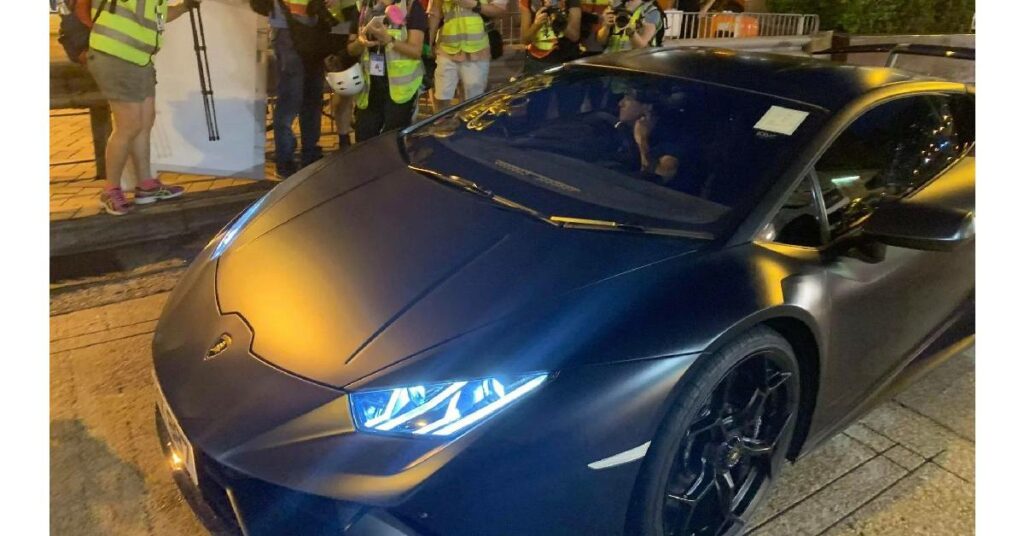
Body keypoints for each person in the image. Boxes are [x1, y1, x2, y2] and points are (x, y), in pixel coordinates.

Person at [87, 0, 198, 215]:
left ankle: (146, 185)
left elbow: (158, 16)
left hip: (139, 59)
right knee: (129, 126)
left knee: (145, 122)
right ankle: (110, 189)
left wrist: (185, 7)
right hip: (116, 56)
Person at [347, 0, 427, 141]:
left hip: (401, 90)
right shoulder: (363, 7)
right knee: (364, 139)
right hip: (370, 90)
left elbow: (416, 50)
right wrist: (360, 42)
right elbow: (351, 50)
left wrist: (389, 40)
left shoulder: (410, 7)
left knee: (393, 142)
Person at [270, 0, 327, 177]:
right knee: (291, 99)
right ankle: (285, 159)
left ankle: (308, 154)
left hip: (313, 26)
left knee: (311, 97)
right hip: (287, 28)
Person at [428, 0, 507, 111]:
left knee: (473, 102)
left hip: (477, 50)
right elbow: (434, 12)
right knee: (441, 96)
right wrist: (429, 43)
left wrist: (474, 5)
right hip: (446, 48)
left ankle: (466, 127)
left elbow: (499, 10)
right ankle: (441, 126)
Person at [613, 89, 683, 185]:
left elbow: (653, 185)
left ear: (648, 107)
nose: (620, 104)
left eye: (628, 99)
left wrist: (642, 141)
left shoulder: (670, 147)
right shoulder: (619, 129)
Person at [519, 0, 582, 76]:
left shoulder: (571, 2)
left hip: (565, 60)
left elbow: (574, 36)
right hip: (537, 61)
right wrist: (536, 25)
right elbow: (524, 40)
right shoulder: (527, 1)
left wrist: (557, 16)